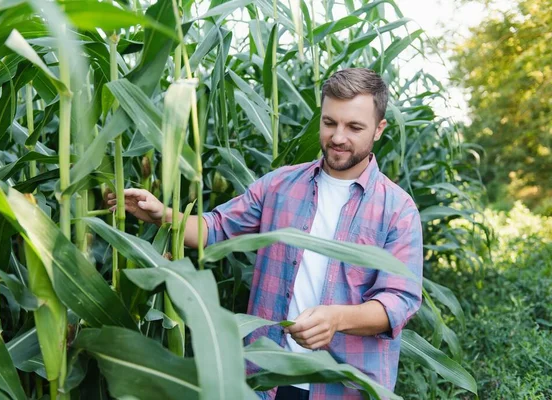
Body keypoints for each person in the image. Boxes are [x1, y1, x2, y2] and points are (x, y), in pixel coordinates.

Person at [108, 68, 423, 400]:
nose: (338, 137)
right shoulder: (280, 185)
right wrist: (163, 215)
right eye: (330, 123)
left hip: (344, 387)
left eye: (354, 127)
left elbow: (398, 302)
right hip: (266, 381)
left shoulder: (397, 210)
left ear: (379, 129)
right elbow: (216, 228)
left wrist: (338, 318)